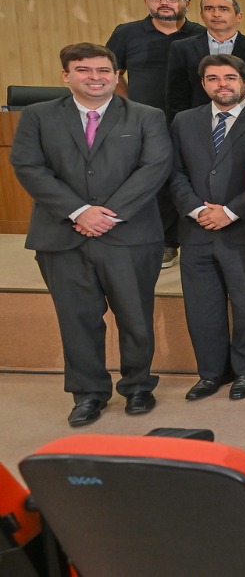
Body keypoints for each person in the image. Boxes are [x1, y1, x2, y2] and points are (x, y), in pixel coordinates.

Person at [11, 43, 172, 427]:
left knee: (135, 317)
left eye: (103, 70)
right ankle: (88, 394)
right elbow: (28, 166)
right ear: (66, 75)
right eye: (84, 70)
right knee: (77, 319)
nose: (95, 77)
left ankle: (137, 386)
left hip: (130, 236)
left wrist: (108, 214)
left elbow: (155, 167)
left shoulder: (147, 116)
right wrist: (79, 211)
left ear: (116, 76)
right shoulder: (37, 116)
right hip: (62, 237)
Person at [168, 54, 245, 402]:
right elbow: (174, 172)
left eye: (229, 77)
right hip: (196, 229)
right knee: (202, 307)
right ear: (203, 84)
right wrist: (197, 210)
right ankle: (211, 373)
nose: (222, 84)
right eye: (213, 78)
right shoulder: (184, 121)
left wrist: (231, 211)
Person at [109, 0, 201, 269]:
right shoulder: (126, 33)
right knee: (152, 180)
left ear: (185, 2)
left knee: (189, 179)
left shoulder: (201, 35)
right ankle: (163, 242)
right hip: (144, 123)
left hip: (191, 121)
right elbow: (111, 72)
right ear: (146, 1)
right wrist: (130, 104)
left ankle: (186, 238)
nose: (164, 2)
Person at [166, 0, 245, 113]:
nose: (216, 14)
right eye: (209, 9)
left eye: (223, 9)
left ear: (239, 16)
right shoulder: (182, 48)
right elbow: (176, 95)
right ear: (202, 15)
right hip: (198, 119)